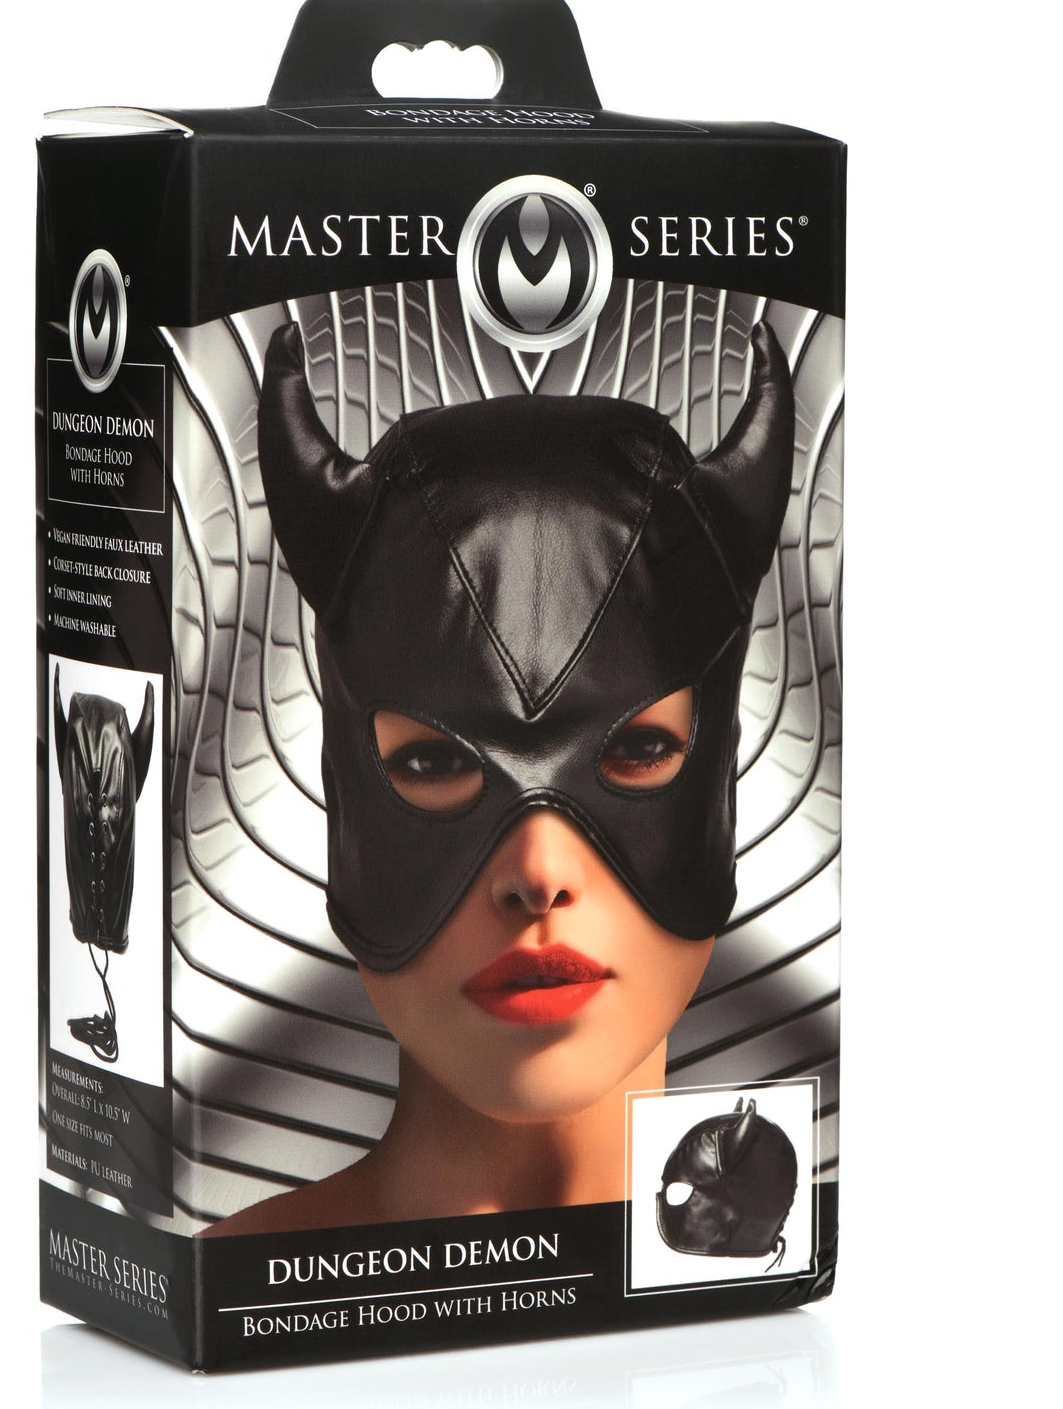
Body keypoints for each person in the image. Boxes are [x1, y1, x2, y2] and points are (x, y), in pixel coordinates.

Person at [203, 318, 794, 1236]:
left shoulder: (755, 1284)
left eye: (637, 749)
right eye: (434, 760)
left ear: (722, 767)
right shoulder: (249, 1285)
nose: (539, 872)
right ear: (337, 781)